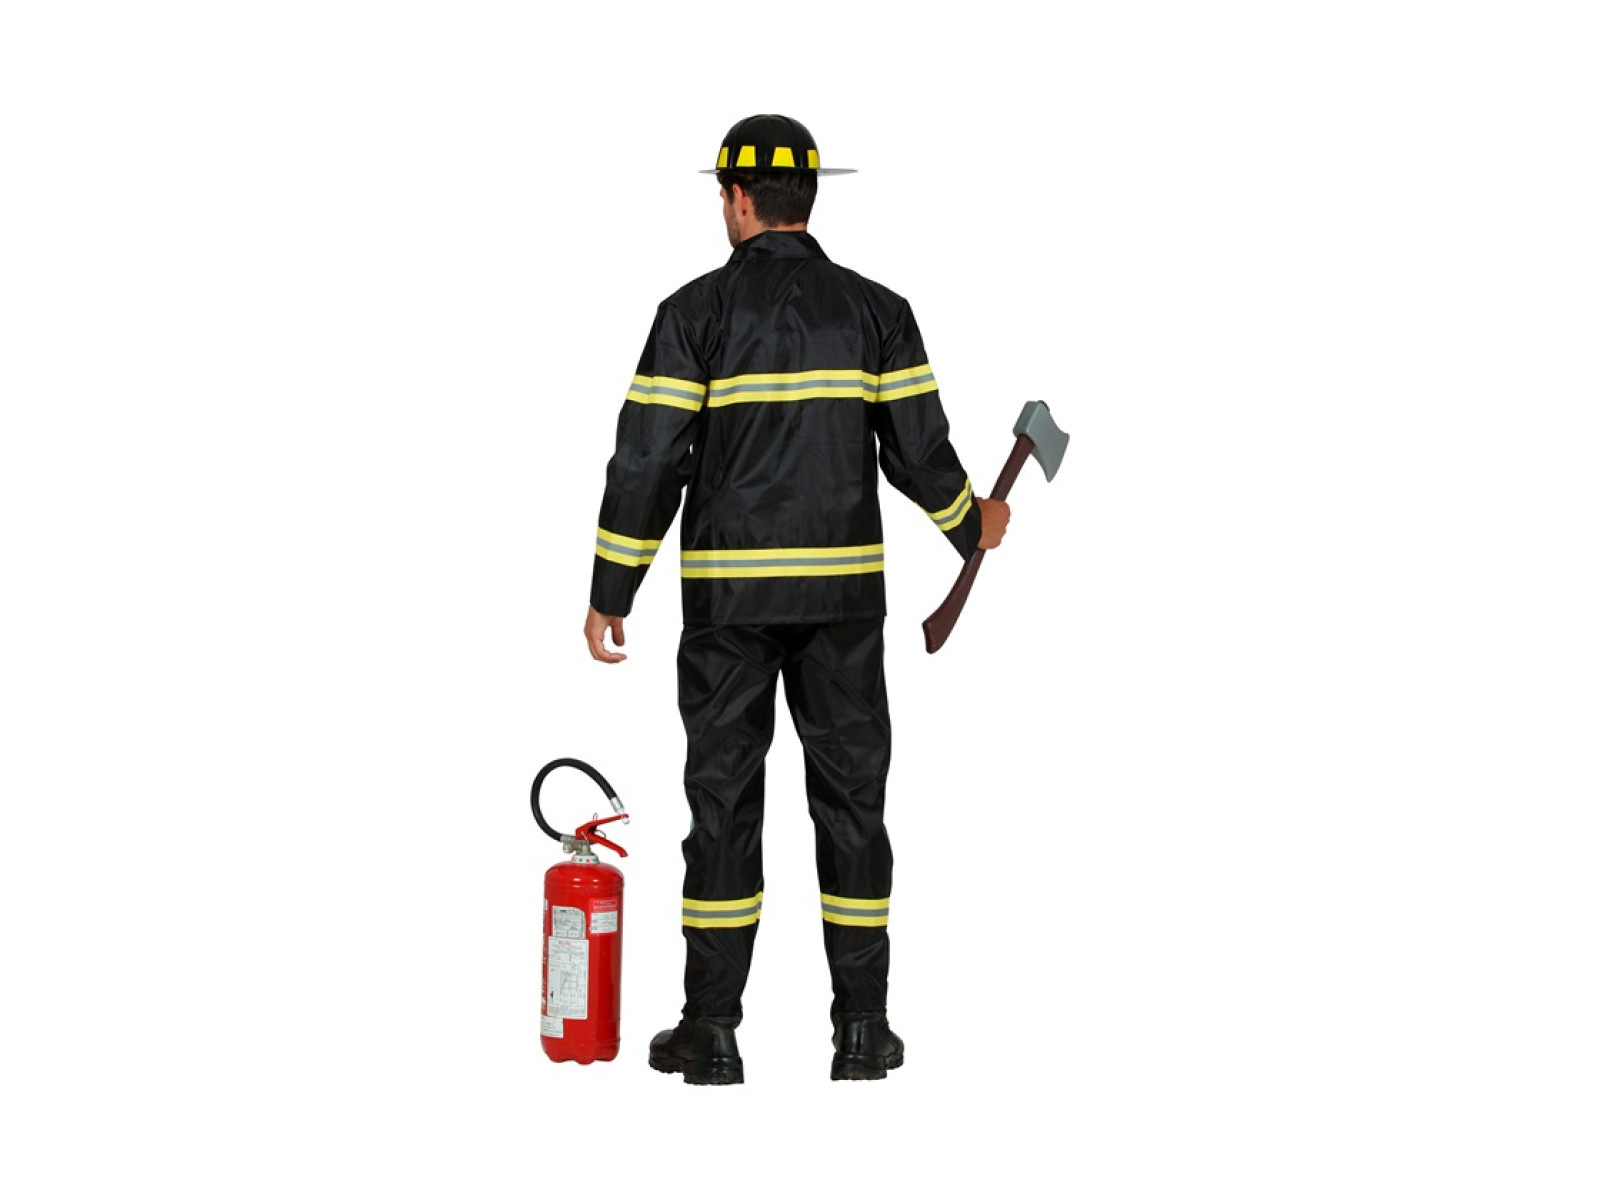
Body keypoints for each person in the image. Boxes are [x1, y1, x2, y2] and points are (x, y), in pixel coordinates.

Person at [584, 115, 1008, 1084]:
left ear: (737, 198)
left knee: (723, 807)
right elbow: (918, 452)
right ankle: (862, 1032)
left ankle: (711, 1031)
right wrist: (968, 522)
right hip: (844, 606)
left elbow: (646, 461)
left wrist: (613, 587)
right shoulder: (877, 313)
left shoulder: (691, 314)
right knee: (853, 807)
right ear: (807, 198)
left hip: (728, 606)